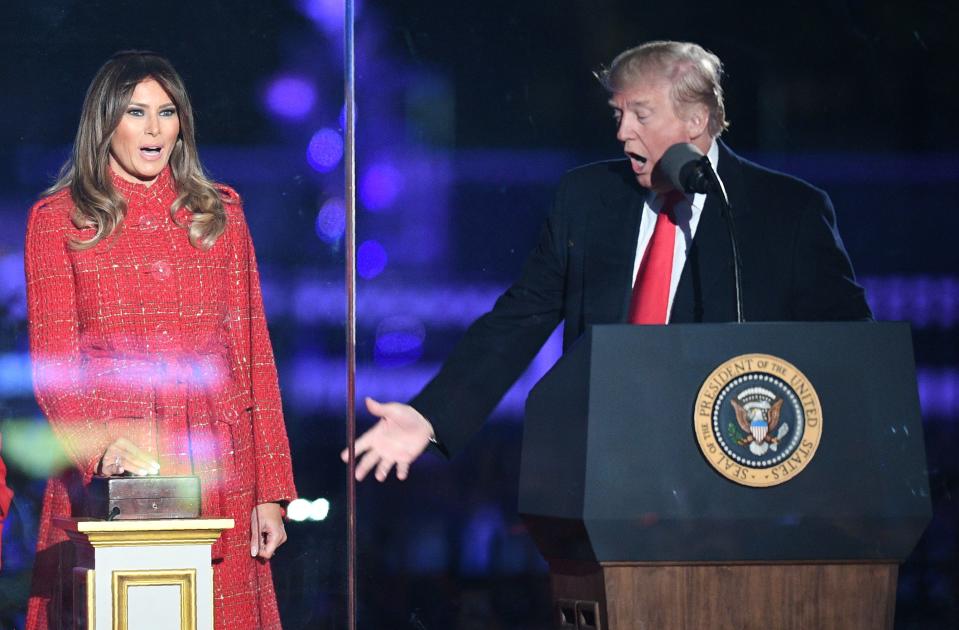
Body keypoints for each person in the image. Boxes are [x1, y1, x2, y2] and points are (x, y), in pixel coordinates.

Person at [343, 40, 872, 481]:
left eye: (641, 115)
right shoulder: (586, 198)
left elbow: (852, 352)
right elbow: (519, 318)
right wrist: (430, 415)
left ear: (696, 119)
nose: (623, 133)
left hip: (739, 481)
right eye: (619, 114)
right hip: (605, 477)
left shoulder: (788, 211)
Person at [23, 51, 296, 629]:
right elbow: (54, 366)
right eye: (136, 112)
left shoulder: (219, 213)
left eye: (167, 112)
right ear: (105, 123)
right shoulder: (59, 221)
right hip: (113, 472)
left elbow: (254, 360)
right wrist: (101, 450)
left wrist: (270, 491)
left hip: (220, 468)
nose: (154, 128)